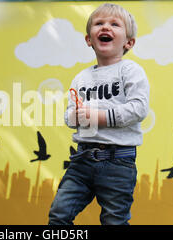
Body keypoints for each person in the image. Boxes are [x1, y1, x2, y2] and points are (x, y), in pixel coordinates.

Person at [48, 3, 149, 225]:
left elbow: (138, 109)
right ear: (88, 39)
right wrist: (74, 116)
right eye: (99, 23)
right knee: (58, 215)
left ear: (128, 42)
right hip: (81, 161)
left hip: (118, 162)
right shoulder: (81, 78)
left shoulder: (130, 71)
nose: (106, 27)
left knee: (114, 221)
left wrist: (96, 117)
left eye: (115, 24)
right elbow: (69, 116)